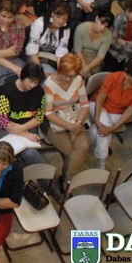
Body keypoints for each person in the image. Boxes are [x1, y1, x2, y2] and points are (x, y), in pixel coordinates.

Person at [88, 60, 132, 169]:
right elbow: (100, 99)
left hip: (117, 112)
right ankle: (101, 160)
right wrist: (96, 120)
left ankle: (84, 145)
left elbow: (129, 111)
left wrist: (114, 128)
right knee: (105, 125)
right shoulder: (113, 77)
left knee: (99, 129)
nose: (127, 78)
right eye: (126, 73)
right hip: (98, 106)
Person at [43, 54, 90, 182]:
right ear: (60, 70)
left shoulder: (78, 80)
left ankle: (67, 180)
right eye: (65, 75)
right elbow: (48, 113)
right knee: (72, 152)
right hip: (56, 122)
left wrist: (77, 124)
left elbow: (85, 105)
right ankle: (68, 182)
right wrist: (71, 128)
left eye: (72, 76)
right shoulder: (49, 85)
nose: (68, 79)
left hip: (74, 118)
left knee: (83, 147)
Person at [0, 64, 47, 171]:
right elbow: (2, 121)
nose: (33, 85)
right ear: (23, 76)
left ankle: (40, 177)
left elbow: (40, 117)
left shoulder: (39, 92)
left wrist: (21, 128)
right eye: (30, 81)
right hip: (6, 129)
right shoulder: (6, 91)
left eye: (36, 83)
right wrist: (24, 133)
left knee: (31, 153)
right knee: (30, 154)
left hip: (27, 125)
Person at [25, 0, 71, 73]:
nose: (61, 21)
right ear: (52, 14)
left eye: (64, 19)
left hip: (52, 59)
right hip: (34, 57)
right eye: (58, 17)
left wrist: (60, 72)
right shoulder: (40, 23)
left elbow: (61, 52)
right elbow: (31, 50)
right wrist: (40, 71)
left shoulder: (66, 29)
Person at [72, 9, 114, 78]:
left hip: (94, 61)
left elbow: (100, 56)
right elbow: (78, 50)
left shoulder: (108, 35)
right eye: (101, 23)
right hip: (79, 56)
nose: (102, 28)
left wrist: (87, 68)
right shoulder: (81, 28)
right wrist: (85, 68)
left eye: (106, 26)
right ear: (97, 18)